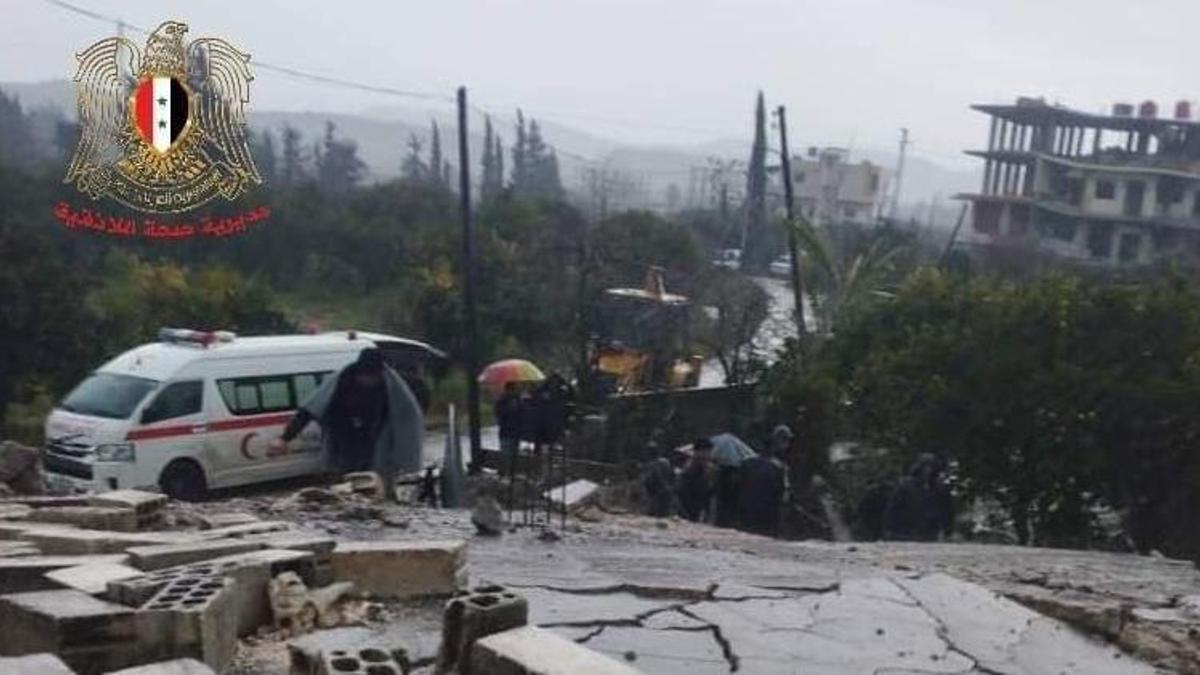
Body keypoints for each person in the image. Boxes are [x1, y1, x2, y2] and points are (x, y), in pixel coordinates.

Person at [272, 348, 423, 501]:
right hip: (344, 441)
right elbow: (309, 410)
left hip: (376, 443)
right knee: (344, 487)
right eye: (365, 376)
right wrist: (285, 438)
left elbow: (408, 419)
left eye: (373, 377)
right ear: (358, 372)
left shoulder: (392, 387)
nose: (368, 380)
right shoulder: (342, 381)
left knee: (374, 486)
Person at [883, 453, 954, 542]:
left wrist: (946, 529)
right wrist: (890, 529)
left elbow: (946, 510)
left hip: (929, 533)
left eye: (931, 467)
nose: (928, 470)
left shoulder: (938, 489)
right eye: (926, 467)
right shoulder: (906, 486)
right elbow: (893, 508)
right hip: (905, 532)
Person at [736, 431, 788, 536]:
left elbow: (737, 485)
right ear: (773, 448)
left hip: (746, 511)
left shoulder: (746, 464)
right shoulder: (778, 467)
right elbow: (782, 494)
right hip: (767, 515)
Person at [678, 437, 715, 522]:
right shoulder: (688, 469)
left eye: (709, 452)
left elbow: (711, 493)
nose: (709, 454)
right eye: (706, 451)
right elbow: (681, 492)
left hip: (701, 511)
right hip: (687, 511)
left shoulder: (711, 469)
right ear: (697, 452)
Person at [494, 382, 523, 477]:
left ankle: (512, 473)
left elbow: (523, 414)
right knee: (506, 454)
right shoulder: (501, 401)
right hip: (506, 432)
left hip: (516, 432)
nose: (514, 392)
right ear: (508, 390)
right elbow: (499, 414)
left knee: (514, 453)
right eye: (513, 390)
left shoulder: (518, 400)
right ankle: (504, 474)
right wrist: (510, 408)